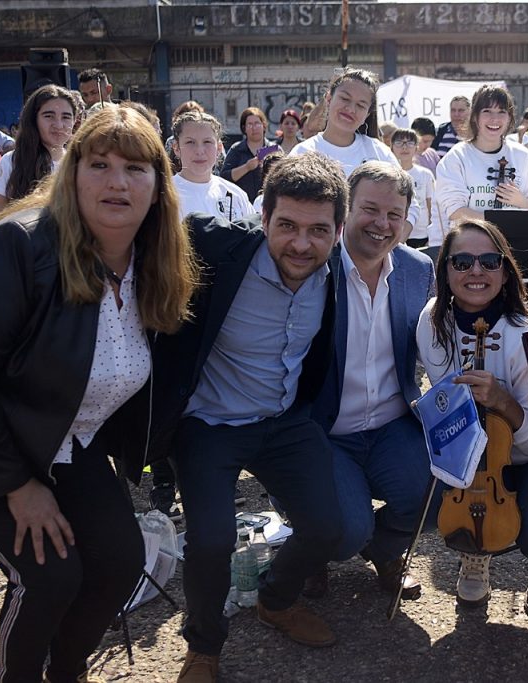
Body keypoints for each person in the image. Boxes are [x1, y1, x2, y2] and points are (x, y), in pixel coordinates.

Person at [0, 106, 198, 683]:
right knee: (49, 575)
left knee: (119, 563)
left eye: (136, 168)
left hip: (59, 431)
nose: (117, 181)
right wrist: (18, 486)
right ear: (72, 174)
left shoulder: (156, 260)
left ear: (159, 185)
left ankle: (67, 672)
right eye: (99, 164)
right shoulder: (16, 247)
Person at [151, 153, 347, 682]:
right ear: (263, 220)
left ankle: (276, 600)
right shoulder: (213, 247)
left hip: (284, 423)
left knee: (330, 527)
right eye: (286, 226)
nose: (301, 244)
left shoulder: (337, 275)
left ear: (338, 231)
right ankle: (204, 646)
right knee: (210, 541)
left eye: (317, 230)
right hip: (210, 425)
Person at [417, 218, 528, 614]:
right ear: (445, 272)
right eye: (461, 262)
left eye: (489, 261)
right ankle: (475, 552)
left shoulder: (527, 335)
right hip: (475, 454)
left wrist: (505, 403)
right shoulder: (431, 321)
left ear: (505, 273)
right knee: (445, 508)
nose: (476, 271)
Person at [306, 161, 434, 601]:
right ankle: (312, 549)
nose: (382, 225)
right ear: (345, 210)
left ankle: (384, 550)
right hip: (325, 430)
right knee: (344, 531)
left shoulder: (419, 271)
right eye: (370, 209)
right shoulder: (315, 266)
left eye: (394, 215)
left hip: (392, 424)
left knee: (439, 495)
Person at [289, 68, 419, 232]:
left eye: (360, 105)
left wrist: (389, 246)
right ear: (329, 98)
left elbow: (410, 206)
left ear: (367, 113)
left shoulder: (379, 152)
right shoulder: (303, 152)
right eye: (345, 99)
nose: (350, 109)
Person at [429, 85, 528, 254]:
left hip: (515, 249)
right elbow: (455, 211)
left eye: (502, 112)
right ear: (475, 116)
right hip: (468, 248)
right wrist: (500, 222)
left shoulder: (521, 155)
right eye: (487, 111)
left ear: (510, 117)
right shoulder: (457, 157)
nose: (494, 119)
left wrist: (522, 202)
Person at [0, 85, 78, 212]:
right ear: (33, 120)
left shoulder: (79, 163)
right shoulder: (12, 161)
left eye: (66, 117)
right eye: (49, 116)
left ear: (75, 121)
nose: (58, 125)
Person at [172, 111, 252, 221]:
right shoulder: (165, 194)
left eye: (207, 142)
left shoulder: (235, 195)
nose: (199, 151)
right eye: (190, 142)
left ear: (219, 148)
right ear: (176, 148)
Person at [389, 128, 435, 248]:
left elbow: (432, 206)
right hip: (393, 234)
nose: (404, 147)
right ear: (392, 147)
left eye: (409, 143)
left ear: (416, 147)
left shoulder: (425, 174)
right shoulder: (387, 175)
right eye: (399, 143)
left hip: (421, 235)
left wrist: (433, 236)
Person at [220, 106, 275, 203]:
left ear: (264, 126)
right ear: (244, 128)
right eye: (250, 124)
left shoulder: (274, 149)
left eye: (257, 123)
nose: (254, 128)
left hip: (269, 203)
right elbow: (224, 177)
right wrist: (246, 167)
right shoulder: (236, 150)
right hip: (242, 204)